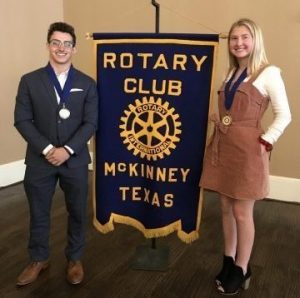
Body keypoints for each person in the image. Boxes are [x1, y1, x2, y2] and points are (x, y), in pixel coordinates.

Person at [200, 18, 291, 295]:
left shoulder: (268, 72)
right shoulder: (231, 74)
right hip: (224, 147)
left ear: (255, 40)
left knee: (242, 212)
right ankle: (228, 260)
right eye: (234, 38)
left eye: (245, 37)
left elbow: (285, 114)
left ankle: (242, 267)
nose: (239, 43)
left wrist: (266, 140)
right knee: (226, 208)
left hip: (248, 152)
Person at [14, 22, 98, 286]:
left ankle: (74, 259)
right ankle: (39, 259)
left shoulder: (86, 83)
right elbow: (22, 120)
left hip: (75, 161)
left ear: (75, 48)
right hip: (40, 160)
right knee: (39, 211)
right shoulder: (29, 81)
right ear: (48, 45)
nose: (61, 48)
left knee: (77, 211)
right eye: (56, 42)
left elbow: (91, 123)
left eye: (67, 43)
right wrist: (50, 149)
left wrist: (68, 150)